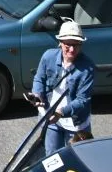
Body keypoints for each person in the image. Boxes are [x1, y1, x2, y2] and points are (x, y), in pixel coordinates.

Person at [31, 21, 95, 152]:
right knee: (52, 157)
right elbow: (39, 79)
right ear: (60, 42)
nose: (72, 49)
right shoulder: (48, 56)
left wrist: (60, 113)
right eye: (68, 45)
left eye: (76, 45)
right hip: (50, 118)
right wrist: (37, 94)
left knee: (77, 158)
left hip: (76, 124)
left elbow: (82, 100)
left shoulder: (88, 67)